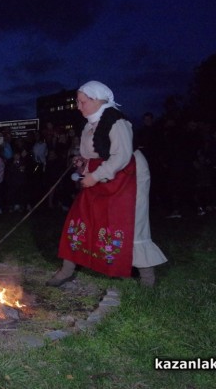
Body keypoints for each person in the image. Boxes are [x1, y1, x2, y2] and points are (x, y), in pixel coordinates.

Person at [46, 81, 167, 287]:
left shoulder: (116, 121)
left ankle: (148, 277)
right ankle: (67, 269)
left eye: (82, 101)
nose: (78, 105)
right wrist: (82, 162)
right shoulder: (88, 124)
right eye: (78, 101)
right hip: (99, 175)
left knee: (129, 223)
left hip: (127, 177)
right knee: (80, 217)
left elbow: (121, 156)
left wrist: (95, 175)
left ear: (97, 100)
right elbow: (91, 153)